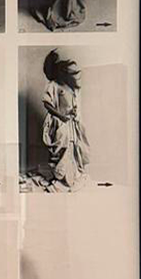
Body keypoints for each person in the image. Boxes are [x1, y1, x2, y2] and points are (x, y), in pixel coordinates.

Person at [38, 49, 90, 190]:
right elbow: (47, 103)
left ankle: (72, 175)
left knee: (74, 146)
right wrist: (61, 116)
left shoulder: (69, 86)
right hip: (59, 122)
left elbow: (74, 103)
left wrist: (74, 112)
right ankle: (59, 177)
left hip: (71, 121)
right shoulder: (52, 85)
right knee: (61, 146)